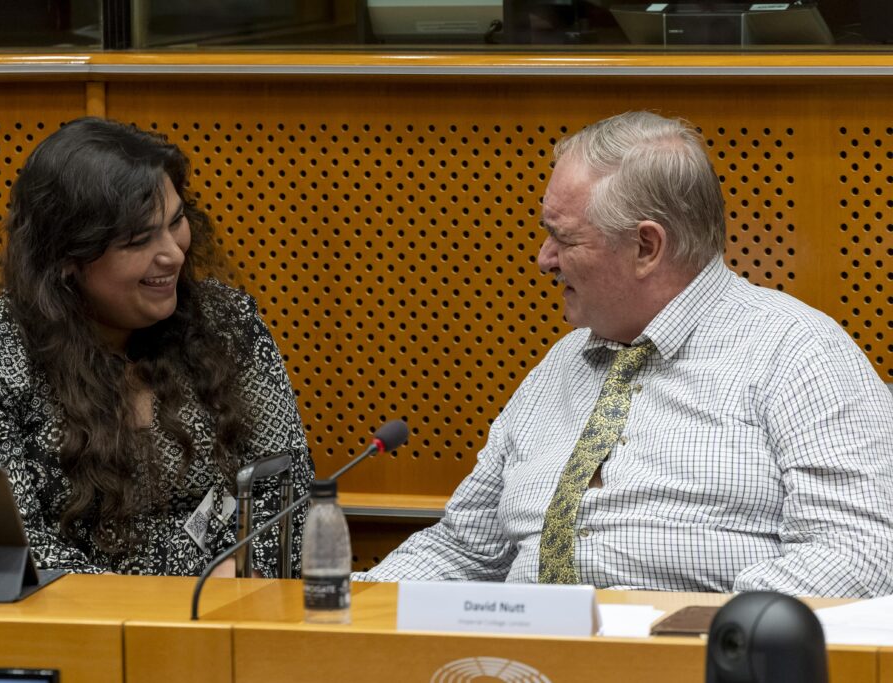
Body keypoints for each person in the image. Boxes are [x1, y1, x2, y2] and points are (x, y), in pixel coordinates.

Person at [357, 111, 893, 597]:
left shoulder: (799, 354)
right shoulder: (562, 363)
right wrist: (350, 604)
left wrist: (685, 634)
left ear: (646, 247)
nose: (544, 260)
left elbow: (857, 554)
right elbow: (464, 551)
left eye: (562, 239)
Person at [0, 117, 314, 577]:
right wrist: (176, 599)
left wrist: (241, 577)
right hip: (67, 635)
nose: (174, 254)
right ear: (65, 259)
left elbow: (285, 495)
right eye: (140, 240)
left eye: (176, 222)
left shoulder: (226, 324)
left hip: (232, 617)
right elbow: (8, 554)